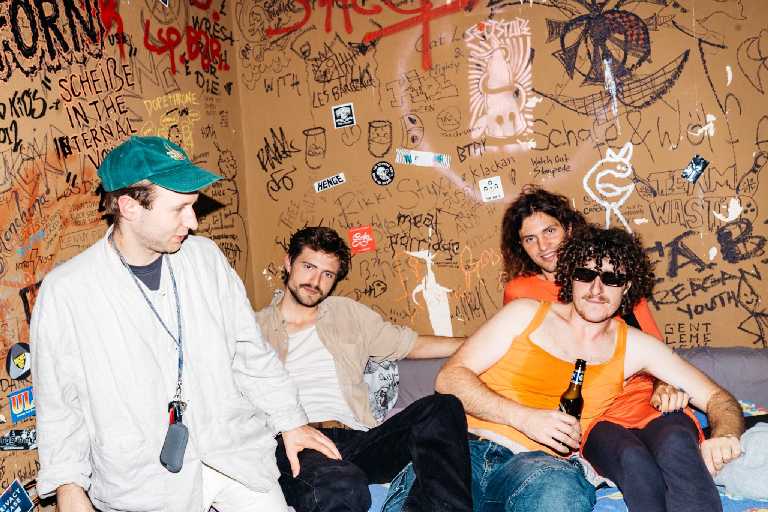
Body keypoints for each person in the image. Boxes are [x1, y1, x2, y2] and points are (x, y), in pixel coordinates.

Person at [31, 136, 339, 512]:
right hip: (144, 480)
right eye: (179, 208)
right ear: (129, 206)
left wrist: (290, 420)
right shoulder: (67, 292)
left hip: (231, 455)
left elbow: (250, 352)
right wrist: (68, 485)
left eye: (193, 206)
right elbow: (60, 405)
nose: (193, 222)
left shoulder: (206, 259)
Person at [437, 225, 744, 512]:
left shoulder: (637, 347)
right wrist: (523, 417)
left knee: (560, 498)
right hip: (465, 447)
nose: (597, 289)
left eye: (611, 279)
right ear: (570, 277)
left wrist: (724, 436)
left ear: (627, 287)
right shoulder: (524, 314)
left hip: (544, 468)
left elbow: (719, 399)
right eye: (586, 274)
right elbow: (449, 378)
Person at [255, 226, 473, 512]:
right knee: (343, 486)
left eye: (327, 274)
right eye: (308, 267)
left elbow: (411, 344)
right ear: (288, 263)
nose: (315, 281)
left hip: (356, 436)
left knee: (443, 408)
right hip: (295, 442)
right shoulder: (253, 328)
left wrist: (481, 343)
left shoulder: (347, 313)